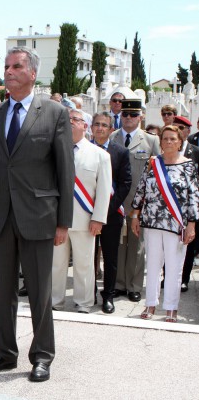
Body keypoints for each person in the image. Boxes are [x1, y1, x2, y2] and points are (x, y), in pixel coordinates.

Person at [0, 47, 74, 382]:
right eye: (6, 66)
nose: (9, 71)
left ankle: (42, 355)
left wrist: (64, 221)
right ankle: (4, 353)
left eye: (17, 66)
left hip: (39, 216)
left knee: (39, 291)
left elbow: (64, 169)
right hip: (0, 216)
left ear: (32, 73)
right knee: (1, 291)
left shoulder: (55, 113)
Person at [132, 125, 198, 323]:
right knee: (152, 265)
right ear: (160, 142)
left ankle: (171, 307)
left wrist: (192, 225)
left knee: (174, 267)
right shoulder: (153, 164)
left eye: (173, 139)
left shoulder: (188, 165)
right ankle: (150, 304)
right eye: (165, 138)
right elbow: (141, 189)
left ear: (180, 142)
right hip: (152, 222)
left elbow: (194, 196)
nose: (169, 142)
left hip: (176, 224)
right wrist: (135, 215)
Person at [51, 109, 111, 313]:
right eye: (66, 120)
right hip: (58, 220)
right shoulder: (55, 152)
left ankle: (84, 302)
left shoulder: (100, 155)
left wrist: (99, 219)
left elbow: (103, 191)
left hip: (85, 220)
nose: (70, 123)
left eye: (74, 120)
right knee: (56, 264)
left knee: (84, 264)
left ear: (85, 126)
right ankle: (55, 300)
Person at [110, 99, 160, 302]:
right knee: (118, 245)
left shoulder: (150, 141)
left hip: (139, 204)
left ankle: (134, 285)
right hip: (115, 202)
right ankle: (120, 283)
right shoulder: (112, 137)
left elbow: (157, 173)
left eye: (133, 115)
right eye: (125, 114)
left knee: (137, 246)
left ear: (141, 117)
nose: (128, 118)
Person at [91, 112, 131, 314]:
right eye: (97, 124)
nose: (100, 128)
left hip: (111, 214)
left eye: (104, 125)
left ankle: (108, 295)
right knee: (88, 256)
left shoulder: (120, 152)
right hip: (85, 213)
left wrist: (105, 210)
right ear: (91, 127)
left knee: (110, 257)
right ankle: (89, 293)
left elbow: (125, 183)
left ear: (111, 129)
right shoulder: (82, 150)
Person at [172, 115, 199, 292]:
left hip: (190, 205)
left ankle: (184, 278)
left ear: (188, 131)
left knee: (188, 244)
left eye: (181, 128)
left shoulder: (195, 151)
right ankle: (168, 277)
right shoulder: (167, 150)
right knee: (170, 242)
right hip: (170, 204)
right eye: (175, 127)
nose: (178, 131)